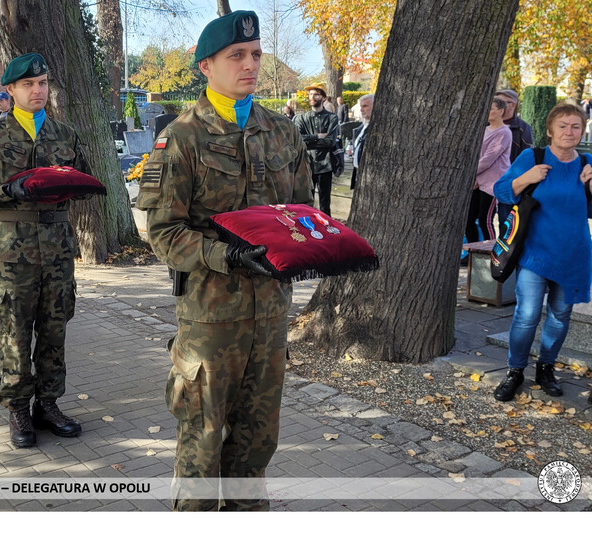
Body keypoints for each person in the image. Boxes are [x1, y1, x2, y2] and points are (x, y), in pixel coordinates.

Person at [135, 11, 312, 511]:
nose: (251, 64)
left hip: (271, 313)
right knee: (202, 442)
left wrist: (306, 248)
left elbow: (303, 215)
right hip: (211, 316)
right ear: (206, 66)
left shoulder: (283, 133)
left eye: (255, 54)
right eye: (237, 56)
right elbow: (163, 232)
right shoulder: (182, 137)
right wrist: (223, 253)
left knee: (258, 442)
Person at [0, 52, 86, 448]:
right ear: (11, 90)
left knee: (54, 331)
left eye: (43, 83)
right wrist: (6, 191)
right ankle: (17, 408)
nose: (38, 90)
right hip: (13, 256)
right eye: (29, 85)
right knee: (14, 334)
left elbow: (81, 180)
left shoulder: (65, 135)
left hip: (58, 251)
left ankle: (47, 405)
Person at [492, 103, 592, 402]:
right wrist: (528, 178)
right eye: (563, 125)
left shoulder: (588, 163)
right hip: (535, 255)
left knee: (559, 317)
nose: (569, 131)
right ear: (550, 130)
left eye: (575, 126)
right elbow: (501, 190)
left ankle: (546, 368)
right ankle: (515, 371)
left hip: (574, 256)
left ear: (581, 131)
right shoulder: (533, 157)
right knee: (527, 315)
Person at [464, 97, 511, 243]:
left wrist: (470, 174)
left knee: (486, 220)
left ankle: (490, 254)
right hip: (478, 181)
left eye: (491, 109)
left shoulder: (504, 133)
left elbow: (488, 158)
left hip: (491, 183)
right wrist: (475, 178)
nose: (487, 112)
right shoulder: (484, 130)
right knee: (468, 219)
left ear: (501, 111)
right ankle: (473, 252)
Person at [294, 82, 339, 216]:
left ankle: (327, 232)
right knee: (306, 205)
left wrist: (309, 141)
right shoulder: (301, 118)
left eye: (316, 94)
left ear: (324, 98)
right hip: (306, 166)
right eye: (310, 94)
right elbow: (298, 140)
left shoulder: (332, 118)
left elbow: (330, 142)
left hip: (326, 166)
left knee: (325, 205)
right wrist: (317, 136)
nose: (312, 97)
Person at [494, 89, 533, 232]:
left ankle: (505, 252)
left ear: (513, 105)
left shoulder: (522, 128)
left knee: (506, 222)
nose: (498, 106)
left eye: (502, 102)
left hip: (509, 181)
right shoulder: (486, 125)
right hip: (485, 180)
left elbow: (526, 156)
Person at [350, 93, 373, 189]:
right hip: (358, 173)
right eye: (361, 106)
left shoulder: (377, 129)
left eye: (365, 106)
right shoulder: (360, 128)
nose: (361, 110)